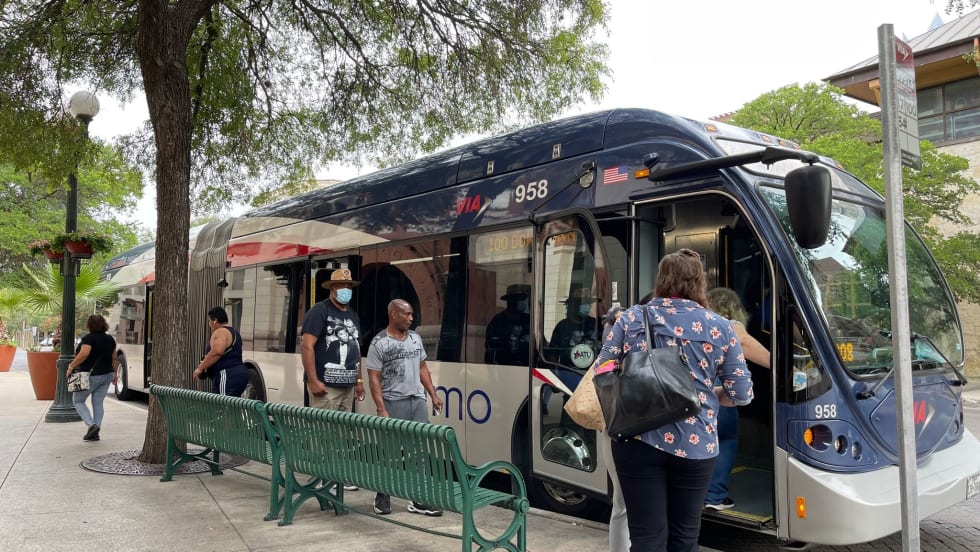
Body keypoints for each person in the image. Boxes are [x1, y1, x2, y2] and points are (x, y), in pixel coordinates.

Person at [595, 249, 753, 552]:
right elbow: (742, 394)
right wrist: (705, 394)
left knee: (646, 538)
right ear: (699, 282)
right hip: (696, 445)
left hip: (637, 439)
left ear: (661, 279)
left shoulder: (631, 318)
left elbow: (601, 371)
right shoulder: (720, 326)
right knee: (685, 537)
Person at [366, 299, 445, 517]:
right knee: (390, 453)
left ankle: (418, 499)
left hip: (416, 402)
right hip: (393, 402)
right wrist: (381, 408)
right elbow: (373, 377)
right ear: (394, 314)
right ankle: (383, 496)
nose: (411, 318)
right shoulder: (379, 343)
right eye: (406, 314)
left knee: (419, 452)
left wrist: (433, 394)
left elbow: (422, 368)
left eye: (411, 314)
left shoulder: (415, 338)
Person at [703, 287, 771, 512]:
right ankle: (715, 496)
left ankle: (696, 493)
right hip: (721, 393)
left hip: (698, 393)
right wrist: (780, 365)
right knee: (726, 438)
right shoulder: (730, 325)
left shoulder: (699, 324)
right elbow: (743, 342)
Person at [300, 268, 364, 491]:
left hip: (347, 385)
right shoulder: (319, 311)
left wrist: (359, 381)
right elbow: (307, 346)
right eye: (341, 286)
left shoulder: (352, 315)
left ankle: (337, 476)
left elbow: (356, 348)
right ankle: (320, 476)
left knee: (342, 432)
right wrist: (313, 380)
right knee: (322, 432)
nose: (346, 289)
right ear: (332, 288)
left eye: (349, 286)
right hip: (326, 385)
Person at [66, 314, 118, 442]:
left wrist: (71, 366)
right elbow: (114, 358)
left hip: (91, 375)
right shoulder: (110, 339)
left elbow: (84, 353)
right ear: (104, 324)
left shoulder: (89, 338)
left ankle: (91, 425)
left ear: (89, 325)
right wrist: (115, 374)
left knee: (78, 401)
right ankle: (95, 432)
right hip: (108, 374)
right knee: (98, 403)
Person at [193, 307, 250, 396]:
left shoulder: (220, 331)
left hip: (227, 374)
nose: (209, 324)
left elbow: (216, 352)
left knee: (222, 403)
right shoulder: (234, 331)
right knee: (229, 403)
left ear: (215, 321)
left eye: (209, 321)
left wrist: (200, 368)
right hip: (238, 373)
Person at [485, 284, 531, 365]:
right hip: (505, 366)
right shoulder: (498, 320)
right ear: (511, 301)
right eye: (520, 299)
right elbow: (491, 346)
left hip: (527, 366)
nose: (524, 302)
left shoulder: (528, 319)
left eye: (524, 299)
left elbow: (538, 342)